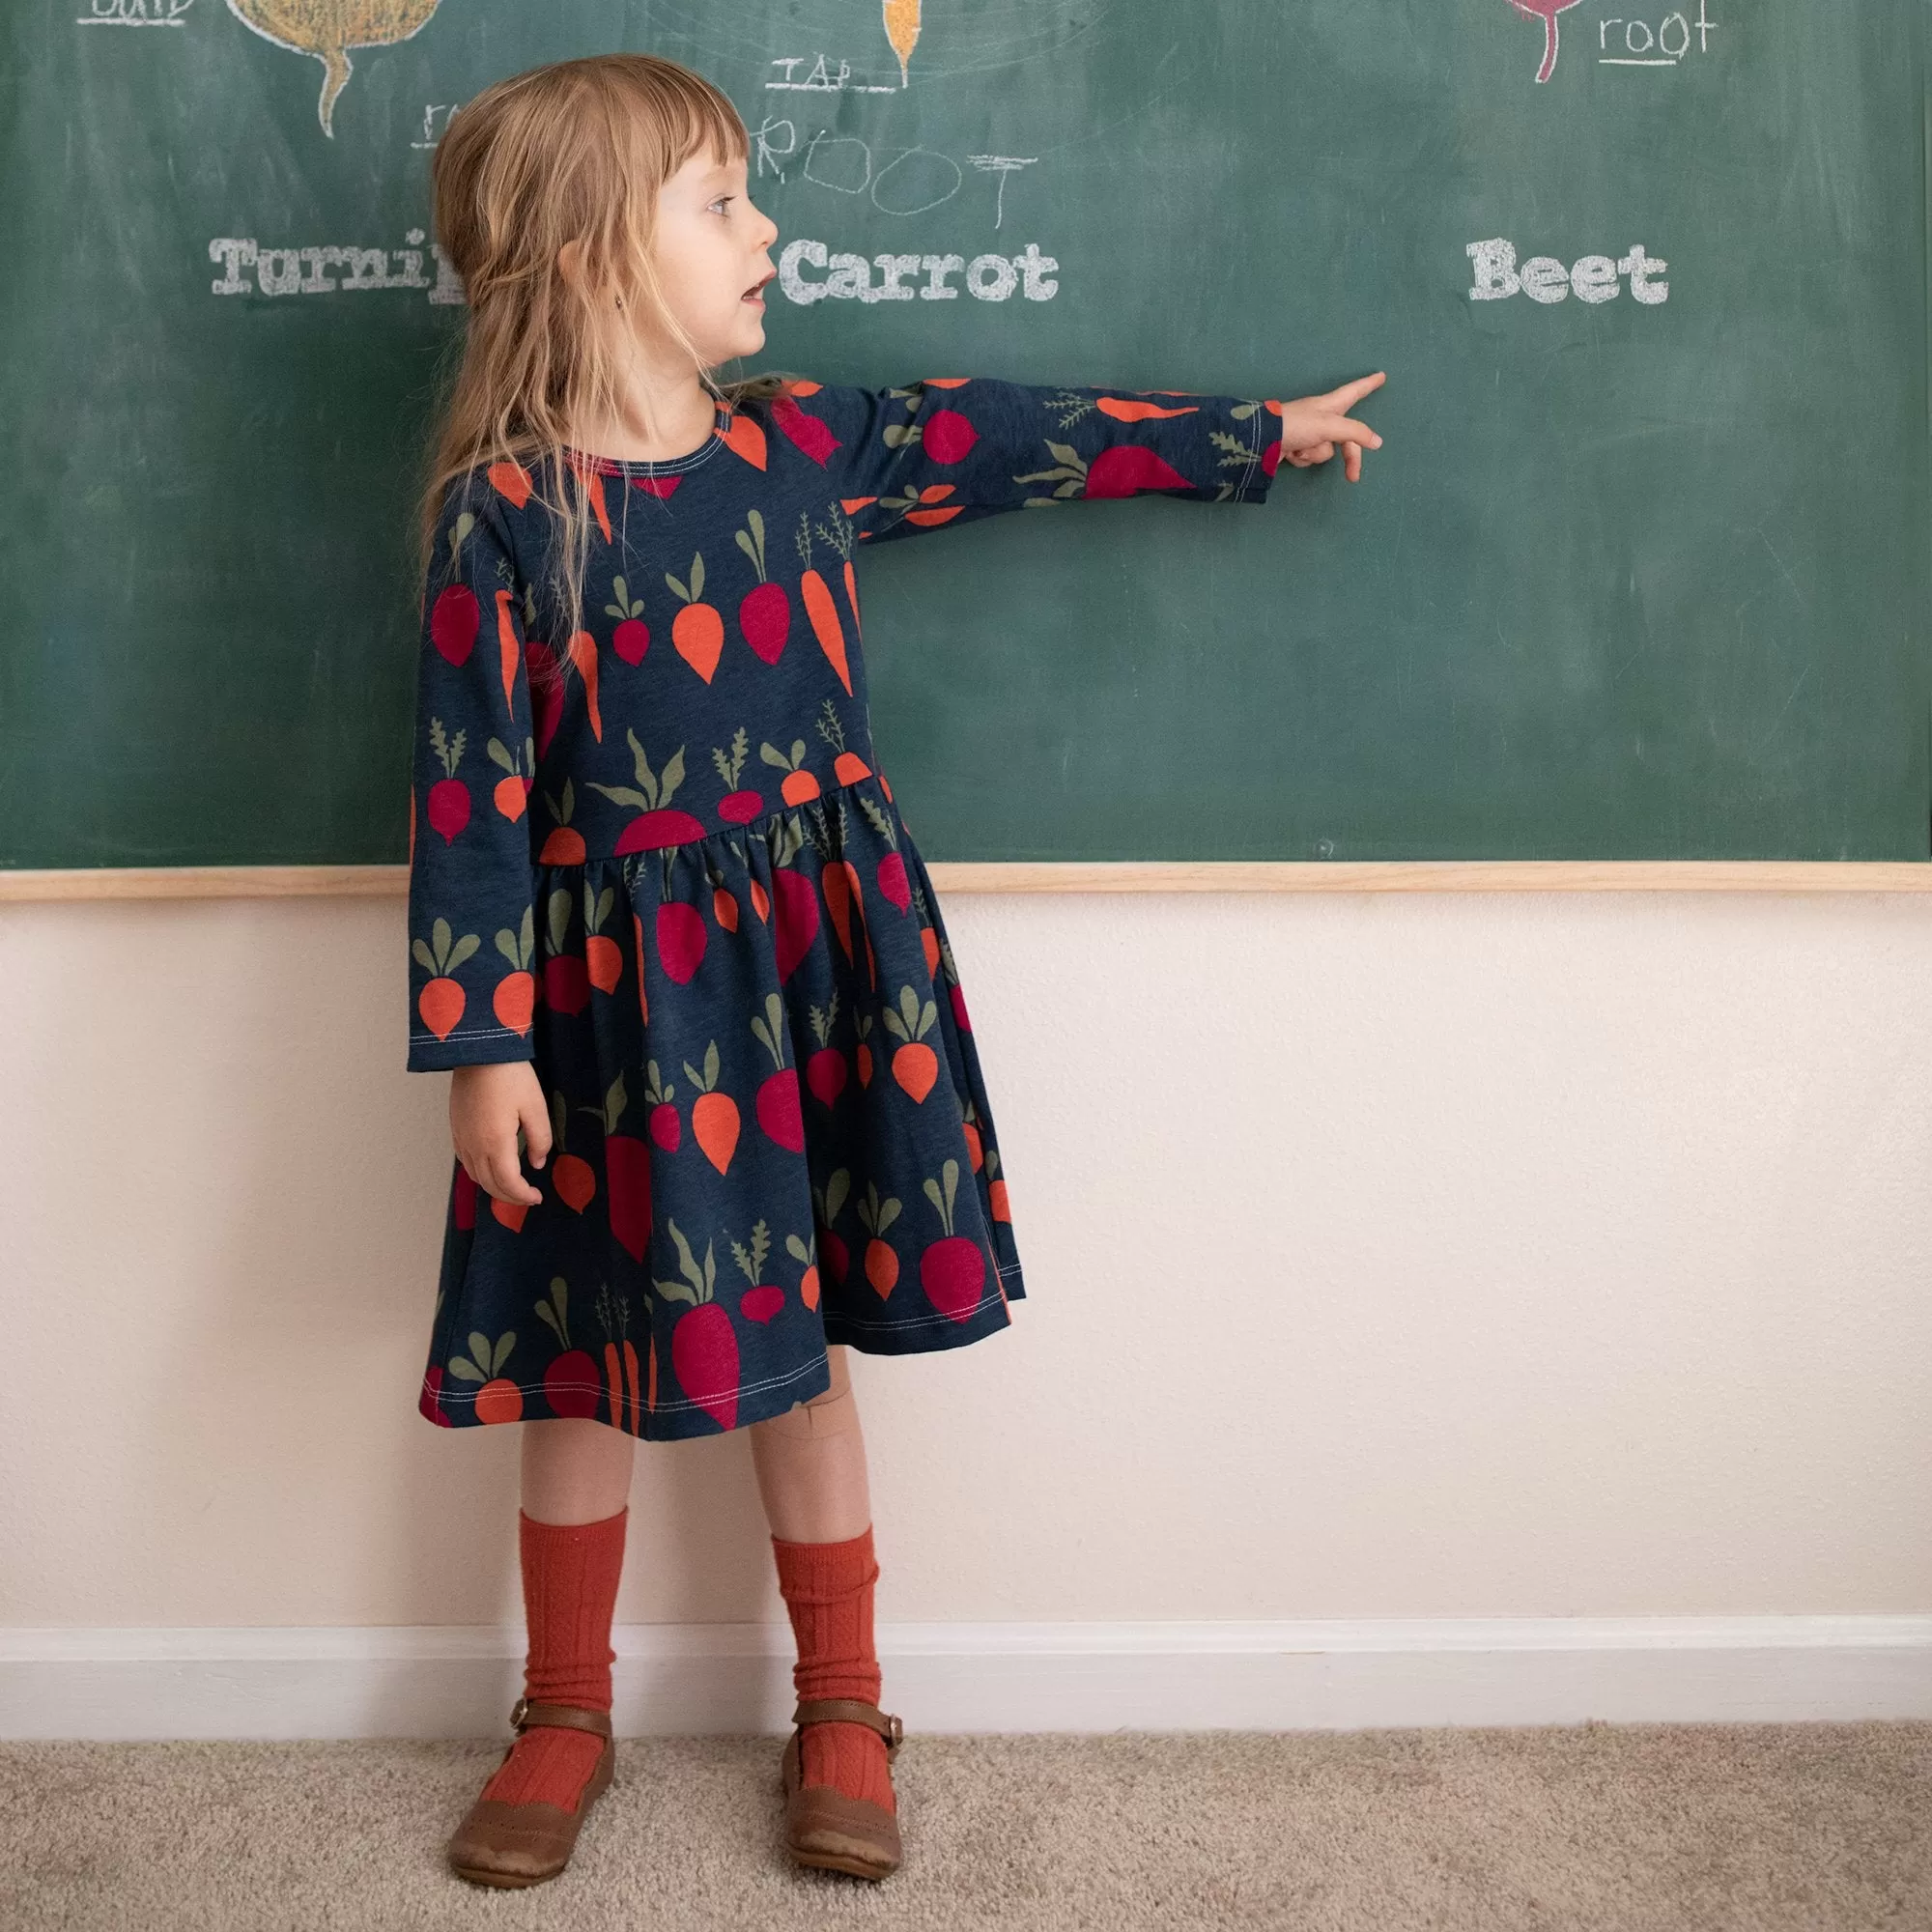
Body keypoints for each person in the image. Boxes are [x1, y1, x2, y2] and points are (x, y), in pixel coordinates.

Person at [403, 50, 1385, 1891]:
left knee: (803, 1356)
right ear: (600, 253)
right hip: (617, 1012)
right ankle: (559, 1711)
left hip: (815, 979)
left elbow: (1020, 437)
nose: (767, 228)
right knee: (579, 1370)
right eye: (721, 204)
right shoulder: (510, 520)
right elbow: (468, 797)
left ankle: (844, 1703)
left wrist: (1251, 436)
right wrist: (481, 1042)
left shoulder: (797, 449)